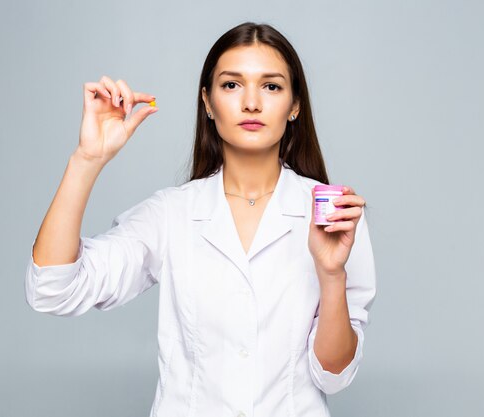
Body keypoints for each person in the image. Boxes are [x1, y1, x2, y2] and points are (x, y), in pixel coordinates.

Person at [25, 21, 376, 417]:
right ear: (207, 102)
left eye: (271, 86)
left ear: (295, 105)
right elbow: (53, 289)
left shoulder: (335, 216)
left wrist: (331, 276)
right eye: (231, 85)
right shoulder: (171, 214)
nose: (251, 103)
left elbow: (333, 375)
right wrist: (87, 160)